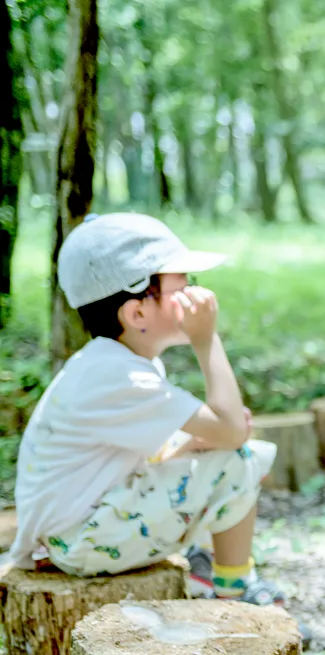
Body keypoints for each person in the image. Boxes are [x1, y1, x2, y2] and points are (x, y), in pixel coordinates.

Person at [7, 213, 285, 604]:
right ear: (137, 313)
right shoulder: (120, 376)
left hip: (78, 528)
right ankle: (234, 593)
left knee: (210, 453)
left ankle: (205, 569)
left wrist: (190, 446)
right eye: (183, 287)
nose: (197, 299)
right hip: (81, 541)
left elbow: (144, 452)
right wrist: (207, 340)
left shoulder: (114, 363)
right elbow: (233, 431)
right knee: (238, 460)